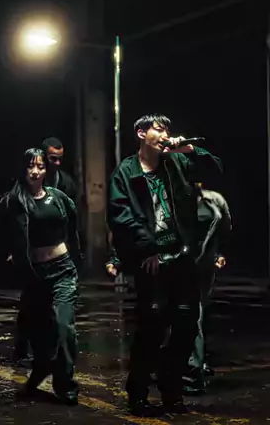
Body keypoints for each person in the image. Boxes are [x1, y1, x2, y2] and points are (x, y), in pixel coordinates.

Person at [107, 114, 222, 417]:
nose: (164, 134)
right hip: (152, 263)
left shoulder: (177, 162)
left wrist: (189, 150)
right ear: (141, 133)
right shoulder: (126, 172)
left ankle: (172, 391)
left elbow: (216, 170)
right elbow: (120, 216)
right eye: (158, 129)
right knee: (151, 329)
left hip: (182, 258)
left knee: (185, 327)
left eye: (167, 130)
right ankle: (138, 393)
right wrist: (147, 250)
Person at [0, 148, 81, 405]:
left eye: (40, 166)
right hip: (35, 275)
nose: (35, 171)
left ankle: (66, 385)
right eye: (30, 166)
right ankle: (39, 372)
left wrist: (79, 260)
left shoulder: (59, 198)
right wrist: (9, 254)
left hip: (63, 270)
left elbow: (73, 229)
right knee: (39, 335)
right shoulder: (12, 202)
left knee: (64, 327)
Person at [183, 184, 231, 394]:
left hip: (204, 266)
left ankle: (194, 367)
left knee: (197, 313)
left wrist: (217, 254)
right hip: (182, 265)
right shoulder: (169, 200)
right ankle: (193, 368)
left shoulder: (214, 201)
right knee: (192, 313)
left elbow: (225, 229)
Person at [41, 137, 78, 203]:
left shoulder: (68, 183)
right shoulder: (34, 181)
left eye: (60, 159)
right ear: (43, 157)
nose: (58, 163)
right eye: (53, 158)